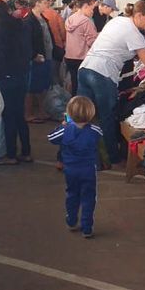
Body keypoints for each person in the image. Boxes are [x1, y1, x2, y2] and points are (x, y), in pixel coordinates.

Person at [79, 0, 145, 163]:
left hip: (85, 69)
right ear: (139, 15)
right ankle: (113, 157)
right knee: (107, 116)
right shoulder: (134, 33)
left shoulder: (117, 21)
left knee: (80, 114)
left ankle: (72, 154)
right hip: (102, 74)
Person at [48, 96, 102, 239]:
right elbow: (99, 136)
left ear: (69, 113)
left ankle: (71, 221)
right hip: (88, 170)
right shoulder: (95, 130)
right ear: (91, 113)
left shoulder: (65, 130)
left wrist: (63, 126)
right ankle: (87, 227)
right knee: (89, 197)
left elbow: (51, 138)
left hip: (70, 169)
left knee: (72, 194)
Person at [0, 2, 33, 165]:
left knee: (8, 116)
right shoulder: (22, 26)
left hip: (6, 77)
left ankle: (11, 154)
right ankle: (26, 152)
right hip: (22, 75)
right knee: (20, 114)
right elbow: (28, 50)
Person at [23, 0, 53, 123]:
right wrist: (33, 55)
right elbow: (26, 42)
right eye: (45, 3)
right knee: (31, 88)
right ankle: (28, 113)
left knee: (42, 86)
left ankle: (41, 111)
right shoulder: (28, 21)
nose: (47, 5)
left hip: (45, 56)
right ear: (37, 4)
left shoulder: (42, 19)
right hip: (35, 59)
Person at [64, 0, 99, 94]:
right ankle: (81, 103)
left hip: (69, 56)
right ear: (86, 6)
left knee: (74, 83)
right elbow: (91, 41)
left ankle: (74, 102)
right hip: (82, 58)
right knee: (83, 87)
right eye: (91, 9)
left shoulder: (70, 19)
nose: (92, 11)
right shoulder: (86, 21)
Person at [40, 0, 67, 85]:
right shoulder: (54, 14)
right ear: (48, 1)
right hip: (56, 47)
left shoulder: (35, 14)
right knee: (55, 74)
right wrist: (63, 41)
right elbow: (63, 31)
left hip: (40, 50)